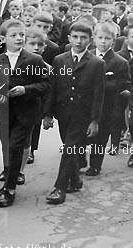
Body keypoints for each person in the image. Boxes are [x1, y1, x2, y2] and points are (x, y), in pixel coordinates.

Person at [0, 19, 50, 207]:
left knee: (16, 146)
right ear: (2, 39)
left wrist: (26, 89)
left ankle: (9, 188)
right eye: (13, 35)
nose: (18, 38)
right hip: (5, 112)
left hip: (26, 112)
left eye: (21, 35)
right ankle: (10, 174)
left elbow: (46, 84)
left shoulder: (34, 59)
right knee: (7, 146)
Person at [44, 22, 105, 204]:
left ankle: (59, 188)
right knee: (70, 147)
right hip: (63, 114)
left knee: (69, 149)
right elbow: (53, 88)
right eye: (75, 37)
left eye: (83, 38)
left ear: (90, 40)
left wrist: (94, 120)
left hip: (82, 115)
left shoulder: (96, 63)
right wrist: (47, 114)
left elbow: (98, 94)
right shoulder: (60, 59)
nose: (79, 41)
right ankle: (76, 180)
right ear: (69, 38)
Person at [88, 22, 130, 175]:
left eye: (107, 38)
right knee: (82, 134)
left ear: (114, 40)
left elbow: (123, 84)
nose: (103, 41)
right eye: (100, 38)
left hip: (107, 106)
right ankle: (79, 159)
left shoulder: (120, 62)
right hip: (86, 104)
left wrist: (103, 84)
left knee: (101, 136)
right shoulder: (87, 56)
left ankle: (95, 164)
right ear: (94, 38)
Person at [22, 28, 50, 167]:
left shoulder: (47, 68)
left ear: (44, 48)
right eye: (32, 44)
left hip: (36, 105)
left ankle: (31, 150)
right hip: (18, 105)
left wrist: (47, 114)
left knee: (34, 128)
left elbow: (48, 92)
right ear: (24, 44)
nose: (36, 48)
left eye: (39, 45)